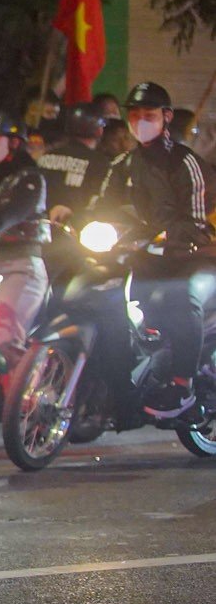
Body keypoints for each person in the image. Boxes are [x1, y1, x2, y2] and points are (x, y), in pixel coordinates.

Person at [87, 81, 213, 420]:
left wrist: (166, 237)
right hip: (139, 256)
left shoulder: (187, 164)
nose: (141, 120)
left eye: (150, 114)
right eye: (135, 114)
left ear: (166, 117)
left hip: (185, 257)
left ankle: (182, 384)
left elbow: (199, 220)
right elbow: (100, 206)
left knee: (178, 299)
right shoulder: (122, 164)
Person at [0, 111, 50, 369]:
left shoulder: (30, 179)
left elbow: (9, 214)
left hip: (20, 267)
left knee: (4, 339)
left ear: (14, 143)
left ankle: (19, 402)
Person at [42, 102, 108, 223]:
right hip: (76, 229)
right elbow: (100, 200)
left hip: (41, 227)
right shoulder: (98, 162)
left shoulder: (47, 154)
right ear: (99, 130)